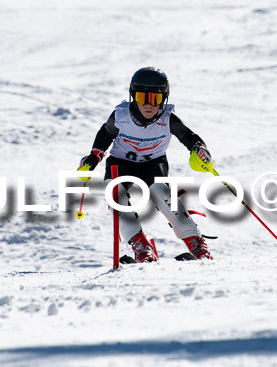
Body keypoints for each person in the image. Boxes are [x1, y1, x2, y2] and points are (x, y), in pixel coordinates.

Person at [78, 67, 213, 263]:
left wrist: (199, 148)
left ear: (163, 99)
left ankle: (195, 242)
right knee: (115, 194)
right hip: (121, 163)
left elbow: (188, 136)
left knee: (160, 191)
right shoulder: (121, 115)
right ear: (133, 97)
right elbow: (106, 133)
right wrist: (95, 155)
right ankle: (140, 245)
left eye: (155, 99)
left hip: (153, 163)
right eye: (142, 97)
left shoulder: (168, 118)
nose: (149, 105)